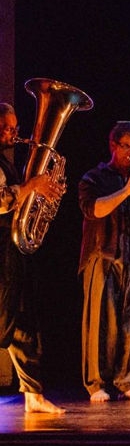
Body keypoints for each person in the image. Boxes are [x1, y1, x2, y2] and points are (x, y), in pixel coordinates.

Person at [77, 122, 130, 402]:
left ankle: (128, 382)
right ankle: (96, 383)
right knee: (101, 324)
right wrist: (126, 191)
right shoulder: (94, 178)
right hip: (102, 255)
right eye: (127, 146)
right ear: (114, 146)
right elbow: (94, 210)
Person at [0, 102, 64, 414]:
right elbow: (1, 202)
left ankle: (33, 394)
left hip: (11, 251)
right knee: (3, 323)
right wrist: (32, 186)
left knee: (24, 322)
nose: (11, 133)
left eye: (13, 127)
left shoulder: (7, 163)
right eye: (5, 127)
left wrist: (43, 193)